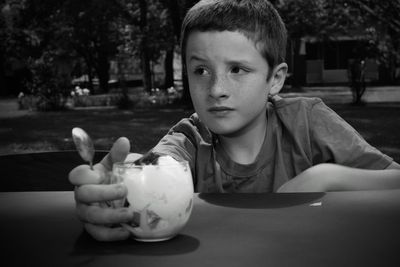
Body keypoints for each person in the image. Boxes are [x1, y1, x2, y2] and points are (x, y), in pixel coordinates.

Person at [69, 0, 400, 241]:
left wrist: (328, 177)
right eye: (201, 70)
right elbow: (155, 166)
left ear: (275, 78)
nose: (216, 90)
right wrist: (118, 187)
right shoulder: (188, 137)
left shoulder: (307, 120)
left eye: (237, 70)